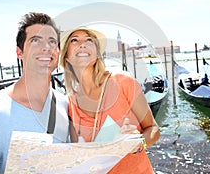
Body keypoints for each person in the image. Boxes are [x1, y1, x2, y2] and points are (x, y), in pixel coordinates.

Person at [0, 12, 70, 173]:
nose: (46, 47)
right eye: (35, 41)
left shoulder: (65, 104)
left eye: (52, 42)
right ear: (19, 53)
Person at [60, 27, 160, 173]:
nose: (83, 44)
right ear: (66, 57)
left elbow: (154, 130)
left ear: (97, 54)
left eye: (89, 40)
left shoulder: (123, 82)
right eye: (74, 40)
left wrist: (139, 144)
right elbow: (81, 153)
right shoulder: (70, 103)